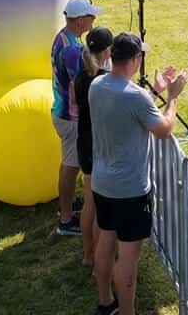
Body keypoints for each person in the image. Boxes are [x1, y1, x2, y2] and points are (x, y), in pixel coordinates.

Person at [90, 33, 188, 315]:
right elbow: (164, 129)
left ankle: (105, 301)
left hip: (102, 183)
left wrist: (154, 93)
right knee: (128, 259)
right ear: (135, 59)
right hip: (130, 190)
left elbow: (131, 107)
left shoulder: (97, 85)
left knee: (106, 242)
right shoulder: (134, 97)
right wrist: (171, 98)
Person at [51, 0, 102, 235]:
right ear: (81, 20)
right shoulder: (73, 50)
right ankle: (66, 219)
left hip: (63, 112)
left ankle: (68, 207)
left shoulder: (63, 37)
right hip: (71, 117)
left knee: (70, 164)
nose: (94, 19)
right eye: (91, 16)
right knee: (71, 166)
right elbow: (83, 83)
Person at [74, 26, 113, 267]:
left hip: (84, 143)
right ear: (108, 51)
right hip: (98, 148)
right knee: (100, 209)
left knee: (90, 203)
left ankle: (89, 256)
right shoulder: (101, 82)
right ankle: (99, 259)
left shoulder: (81, 76)